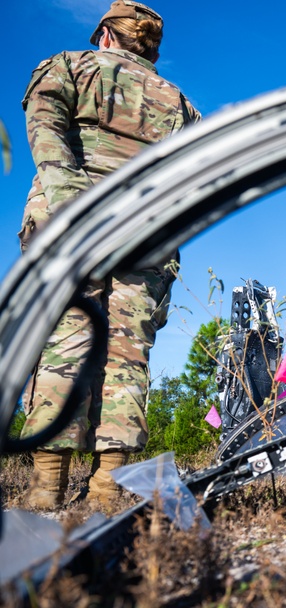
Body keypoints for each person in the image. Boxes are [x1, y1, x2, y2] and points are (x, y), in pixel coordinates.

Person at [19, 1, 200, 509]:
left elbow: (46, 133)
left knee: (64, 342)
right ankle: (106, 492)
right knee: (128, 357)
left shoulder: (69, 66)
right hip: (145, 238)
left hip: (72, 227)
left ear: (105, 33)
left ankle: (46, 489)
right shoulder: (182, 105)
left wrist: (71, 205)